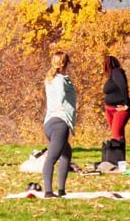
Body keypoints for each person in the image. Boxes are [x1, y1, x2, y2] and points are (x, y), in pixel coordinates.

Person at [42, 51, 76, 199]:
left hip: (49, 123)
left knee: (66, 154)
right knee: (52, 158)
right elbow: (61, 93)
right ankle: (48, 192)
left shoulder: (49, 79)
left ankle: (61, 190)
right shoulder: (60, 80)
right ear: (64, 64)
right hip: (60, 124)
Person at [103, 55, 130, 143]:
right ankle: (120, 156)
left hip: (119, 109)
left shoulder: (117, 72)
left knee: (116, 136)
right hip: (110, 109)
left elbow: (124, 86)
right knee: (118, 136)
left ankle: (115, 156)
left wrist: (126, 105)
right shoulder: (112, 76)